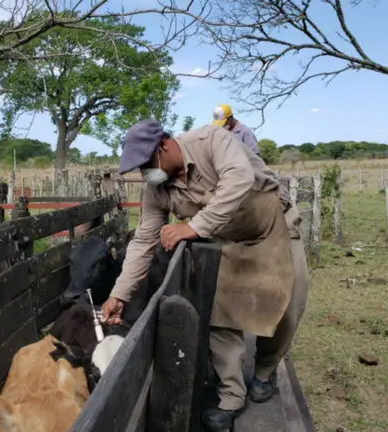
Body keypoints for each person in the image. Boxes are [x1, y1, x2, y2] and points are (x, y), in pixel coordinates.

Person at [100, 119, 310, 432]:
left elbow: (238, 179)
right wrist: (119, 293)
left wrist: (194, 226)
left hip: (273, 227)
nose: (146, 172)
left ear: (164, 144)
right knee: (220, 315)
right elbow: (144, 241)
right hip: (224, 241)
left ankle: (265, 372)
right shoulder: (157, 190)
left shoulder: (211, 140)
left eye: (147, 163)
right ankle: (230, 396)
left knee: (288, 307)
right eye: (140, 168)